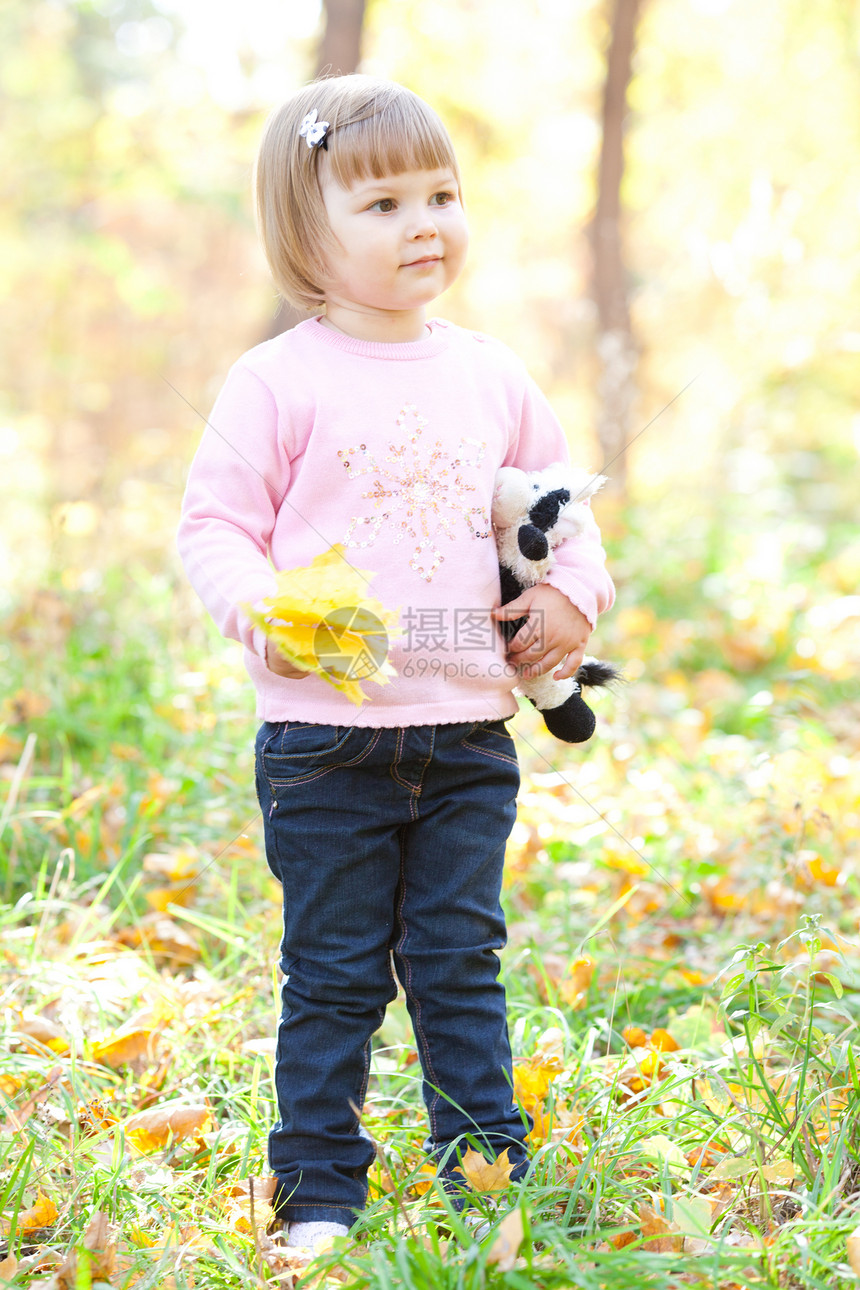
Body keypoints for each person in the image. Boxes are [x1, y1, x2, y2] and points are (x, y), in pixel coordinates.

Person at [177, 75, 614, 1252]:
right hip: (326, 742)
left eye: (441, 195)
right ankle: (319, 1189)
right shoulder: (279, 379)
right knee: (331, 974)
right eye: (381, 204)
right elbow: (212, 526)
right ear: (304, 233)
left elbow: (560, 513)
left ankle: (481, 1171)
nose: (425, 223)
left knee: (459, 962)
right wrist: (256, 607)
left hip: (470, 732)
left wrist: (573, 596)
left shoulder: (489, 372)